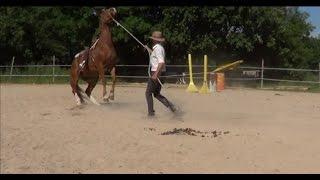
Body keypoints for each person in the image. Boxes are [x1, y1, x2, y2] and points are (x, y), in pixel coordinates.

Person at [144, 31, 176, 117]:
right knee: (156, 94)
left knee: (148, 93)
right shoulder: (159, 48)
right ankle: (172, 107)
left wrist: (155, 74)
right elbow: (156, 57)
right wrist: (148, 49)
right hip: (162, 72)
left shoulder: (157, 48)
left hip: (156, 72)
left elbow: (161, 62)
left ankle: (151, 113)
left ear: (154, 40)